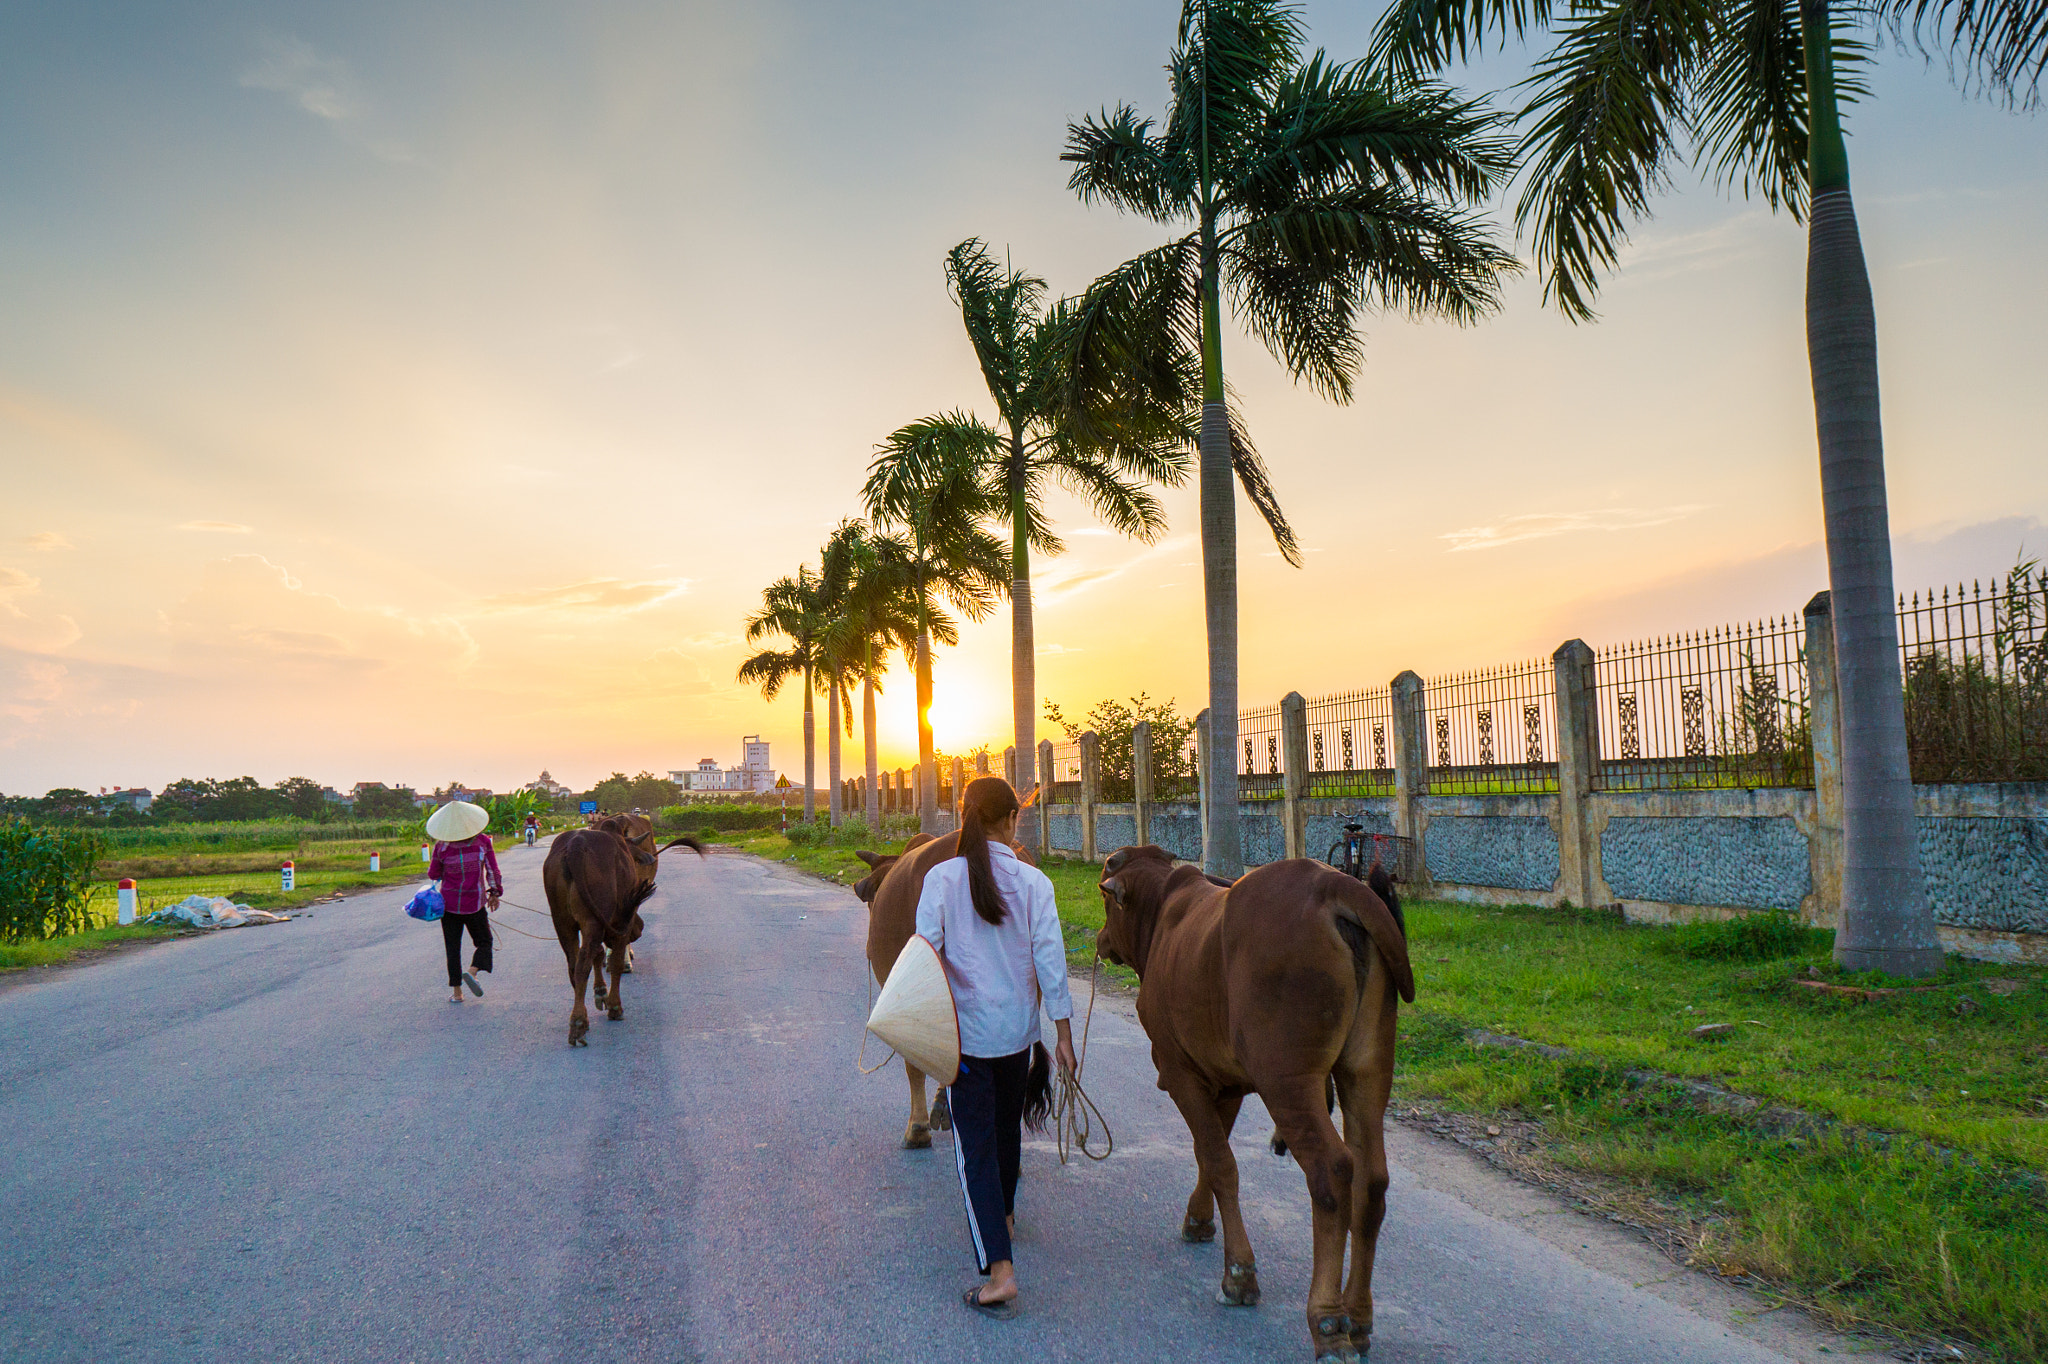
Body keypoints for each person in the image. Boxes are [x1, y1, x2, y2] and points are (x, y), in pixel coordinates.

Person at [914, 776, 1076, 1319]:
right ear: (1011, 820)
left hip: (967, 1042)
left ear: (965, 818)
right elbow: (1051, 963)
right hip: (1018, 1041)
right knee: (1006, 1134)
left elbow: (925, 962)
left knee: (973, 1152)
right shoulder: (1035, 883)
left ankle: (1000, 1274)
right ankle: (1003, 1218)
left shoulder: (941, 879)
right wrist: (1063, 1036)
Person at [426, 801, 502, 1003]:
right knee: (484, 942)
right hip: (475, 903)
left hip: (449, 905)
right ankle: (473, 971)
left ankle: (457, 993)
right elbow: (492, 870)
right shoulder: (483, 842)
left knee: (452, 948)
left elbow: (433, 873)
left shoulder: (441, 847)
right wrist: (495, 892)